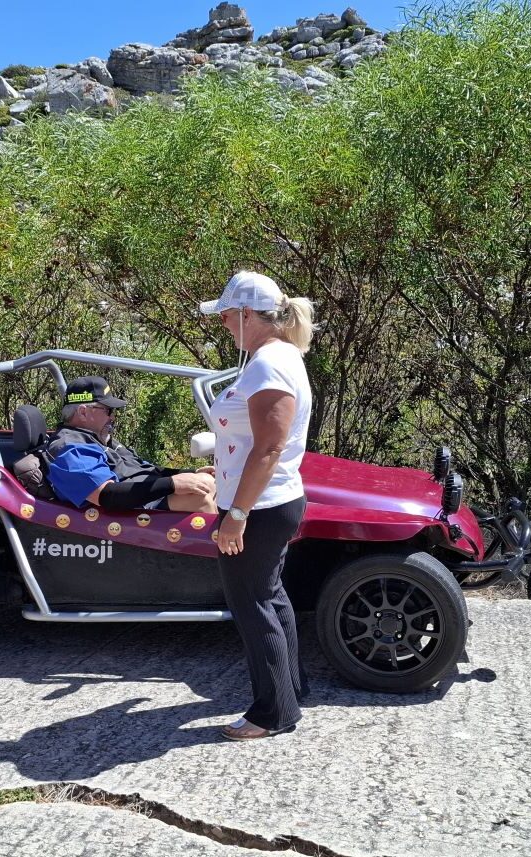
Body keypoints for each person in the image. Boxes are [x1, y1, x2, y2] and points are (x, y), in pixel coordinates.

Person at [199, 270, 316, 741]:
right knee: (270, 596)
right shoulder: (277, 357)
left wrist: (237, 515)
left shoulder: (269, 364)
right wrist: (224, 471)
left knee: (252, 605)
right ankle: (290, 692)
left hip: (260, 508)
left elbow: (269, 447)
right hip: (267, 500)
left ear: (249, 314)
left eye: (227, 314)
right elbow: (253, 443)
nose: (223, 323)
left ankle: (272, 714)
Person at [46, 376, 216, 513]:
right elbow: (106, 495)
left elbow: (141, 468)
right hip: (127, 513)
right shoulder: (71, 449)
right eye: (108, 410)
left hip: (142, 496)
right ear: (83, 412)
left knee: (210, 481)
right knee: (200, 498)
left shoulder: (100, 437)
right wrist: (173, 484)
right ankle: (223, 554)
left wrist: (187, 473)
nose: (113, 417)